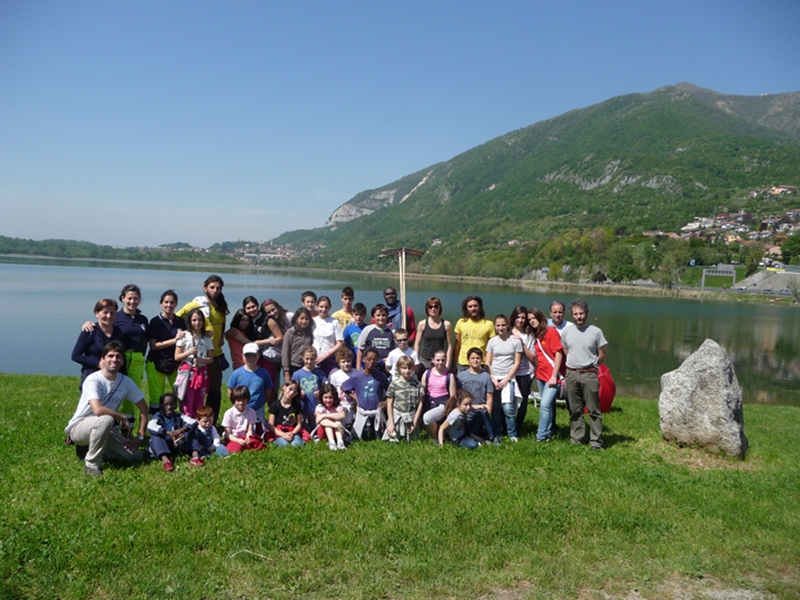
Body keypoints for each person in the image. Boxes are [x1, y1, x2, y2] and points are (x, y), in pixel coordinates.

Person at [65, 341, 148, 477]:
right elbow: (97, 410)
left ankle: (91, 449)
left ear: (122, 361)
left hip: (104, 428)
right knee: (106, 419)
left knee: (135, 456)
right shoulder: (93, 380)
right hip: (80, 427)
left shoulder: (126, 382)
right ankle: (92, 464)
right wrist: (121, 416)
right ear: (102, 360)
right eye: (110, 356)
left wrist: (140, 436)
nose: (114, 359)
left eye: (118, 357)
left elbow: (144, 408)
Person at [176, 275, 230, 424]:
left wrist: (220, 337)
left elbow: (223, 321)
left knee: (214, 392)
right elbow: (176, 318)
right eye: (212, 287)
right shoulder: (196, 304)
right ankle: (189, 420)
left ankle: (210, 422)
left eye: (218, 288)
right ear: (205, 288)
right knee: (193, 391)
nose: (215, 290)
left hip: (215, 355)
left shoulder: (221, 306)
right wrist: (182, 334)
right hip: (196, 357)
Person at [561, 299, 608, 450]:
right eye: (575, 314)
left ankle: (596, 441)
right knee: (575, 409)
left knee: (594, 410)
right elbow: (566, 350)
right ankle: (577, 438)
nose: (579, 316)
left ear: (586, 313)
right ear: (572, 315)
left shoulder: (596, 332)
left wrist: (591, 366)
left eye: (581, 313)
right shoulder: (567, 331)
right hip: (572, 374)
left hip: (589, 374)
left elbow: (602, 354)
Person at [528, 307, 565, 442]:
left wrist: (554, 376)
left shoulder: (551, 332)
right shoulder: (537, 334)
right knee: (548, 405)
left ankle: (541, 435)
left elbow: (559, 354)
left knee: (544, 405)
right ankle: (549, 431)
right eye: (530, 319)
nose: (532, 321)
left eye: (534, 318)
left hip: (552, 376)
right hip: (541, 375)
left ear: (541, 317)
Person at [145, 290, 186, 411]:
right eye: (166, 302)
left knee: (180, 394)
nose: (169, 305)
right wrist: (174, 340)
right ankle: (155, 423)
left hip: (175, 363)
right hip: (156, 363)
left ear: (176, 304)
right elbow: (153, 345)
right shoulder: (155, 321)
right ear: (161, 304)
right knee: (156, 396)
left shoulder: (181, 322)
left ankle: (176, 420)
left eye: (172, 302)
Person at [486, 314, 523, 442]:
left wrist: (507, 379)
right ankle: (497, 432)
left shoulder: (515, 341)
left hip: (509, 378)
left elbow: (517, 362)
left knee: (508, 408)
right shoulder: (492, 341)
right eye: (498, 325)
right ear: (495, 327)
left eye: (503, 325)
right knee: (495, 408)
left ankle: (512, 434)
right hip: (495, 377)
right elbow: (487, 363)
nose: (501, 328)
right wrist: (493, 378)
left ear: (508, 325)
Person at [72, 298, 123, 388]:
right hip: (91, 374)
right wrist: (98, 363)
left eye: (112, 313)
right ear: (96, 313)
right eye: (105, 312)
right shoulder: (89, 331)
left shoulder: (118, 332)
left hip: (112, 377)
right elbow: (76, 355)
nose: (108, 316)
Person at [147, 392, 205, 471]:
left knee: (192, 430)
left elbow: (193, 422)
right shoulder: (157, 416)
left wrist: (181, 431)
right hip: (164, 444)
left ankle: (195, 457)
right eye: (166, 404)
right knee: (155, 436)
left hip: (178, 444)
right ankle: (166, 461)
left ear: (176, 406)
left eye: (172, 404)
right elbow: (151, 426)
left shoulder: (179, 416)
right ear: (161, 406)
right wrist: (169, 433)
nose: (169, 407)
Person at [173, 308, 214, 418]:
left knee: (199, 401)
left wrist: (202, 360)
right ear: (189, 321)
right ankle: (186, 425)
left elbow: (211, 358)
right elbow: (177, 357)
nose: (197, 323)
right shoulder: (184, 336)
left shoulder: (207, 338)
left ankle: (198, 424)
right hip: (188, 373)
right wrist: (188, 352)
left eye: (200, 320)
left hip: (201, 373)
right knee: (187, 400)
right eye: (194, 320)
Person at [342, 348, 389, 441]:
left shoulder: (380, 376)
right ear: (364, 359)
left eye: (374, 359)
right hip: (363, 411)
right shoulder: (357, 376)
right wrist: (355, 398)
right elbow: (343, 387)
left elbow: (391, 391)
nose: (371, 362)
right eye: (369, 359)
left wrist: (386, 402)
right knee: (360, 436)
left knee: (378, 435)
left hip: (376, 411)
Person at [227, 343, 274, 429]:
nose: (251, 358)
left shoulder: (264, 373)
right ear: (243, 356)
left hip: (258, 408)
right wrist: (237, 404)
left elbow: (268, 391)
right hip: (241, 407)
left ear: (258, 356)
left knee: (259, 430)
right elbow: (230, 390)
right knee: (241, 428)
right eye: (247, 356)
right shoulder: (236, 373)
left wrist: (262, 401)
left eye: (253, 355)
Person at [457, 348, 498, 445]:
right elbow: (457, 397)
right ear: (468, 360)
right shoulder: (461, 376)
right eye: (473, 358)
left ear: (482, 360)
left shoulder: (486, 376)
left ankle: (493, 438)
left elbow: (489, 398)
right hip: (465, 414)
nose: (475, 360)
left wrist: (488, 416)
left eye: (478, 358)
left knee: (482, 413)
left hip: (480, 413)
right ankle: (483, 438)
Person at [384, 355, 424, 442]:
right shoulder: (394, 384)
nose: (407, 371)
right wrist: (391, 423)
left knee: (413, 440)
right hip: (397, 415)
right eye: (404, 368)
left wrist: (415, 422)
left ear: (413, 368)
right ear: (399, 368)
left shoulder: (417, 384)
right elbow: (389, 404)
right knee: (392, 439)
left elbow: (420, 404)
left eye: (409, 368)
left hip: (411, 416)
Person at [421, 350, 457, 440]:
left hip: (443, 404)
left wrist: (448, 409)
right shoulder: (427, 373)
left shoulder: (450, 376)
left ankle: (435, 437)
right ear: (433, 360)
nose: (440, 362)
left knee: (427, 418)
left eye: (443, 360)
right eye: (438, 360)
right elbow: (422, 391)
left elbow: (453, 396)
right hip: (429, 402)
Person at [510, 305, 535, 435]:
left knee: (523, 402)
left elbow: (532, 357)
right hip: (509, 373)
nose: (520, 320)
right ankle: (507, 427)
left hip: (525, 373)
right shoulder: (507, 331)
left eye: (523, 318)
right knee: (508, 401)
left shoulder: (529, 335)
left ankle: (518, 428)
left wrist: (522, 342)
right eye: (518, 317)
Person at [453, 296, 495, 371]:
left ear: (480, 307)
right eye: (470, 306)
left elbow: (493, 347)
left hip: (482, 364)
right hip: (464, 364)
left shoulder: (489, 324)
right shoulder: (461, 322)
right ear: (466, 309)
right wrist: (453, 364)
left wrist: (490, 364)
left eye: (475, 306)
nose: (473, 308)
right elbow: (457, 345)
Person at [291, 346, 327, 430]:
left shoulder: (320, 373)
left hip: (316, 406)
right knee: (303, 427)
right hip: (302, 406)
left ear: (315, 358)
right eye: (307, 359)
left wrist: (320, 393)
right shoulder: (297, 374)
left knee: (315, 426)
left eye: (312, 359)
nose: (309, 361)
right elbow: (292, 390)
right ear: (302, 358)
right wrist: (299, 394)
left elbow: (325, 388)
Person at [252, 298, 286, 386]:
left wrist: (266, 342)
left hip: (276, 354)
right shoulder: (249, 320)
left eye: (273, 309)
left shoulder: (286, 316)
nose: (272, 313)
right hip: (261, 355)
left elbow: (279, 338)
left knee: (273, 383)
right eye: (268, 312)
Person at [414, 296, 452, 373]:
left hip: (440, 361)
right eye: (430, 307)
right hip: (425, 361)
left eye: (436, 306)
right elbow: (417, 345)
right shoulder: (422, 324)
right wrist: (416, 362)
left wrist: (448, 363)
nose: (433, 309)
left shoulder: (446, 324)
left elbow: (449, 346)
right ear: (427, 309)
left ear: (439, 308)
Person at [221, 386, 262, 453]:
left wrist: (247, 438)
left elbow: (250, 430)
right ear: (234, 400)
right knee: (234, 448)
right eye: (238, 400)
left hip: (245, 437)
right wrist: (238, 440)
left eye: (243, 400)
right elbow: (227, 434)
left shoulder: (252, 412)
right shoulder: (228, 413)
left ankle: (245, 447)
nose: (241, 403)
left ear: (247, 399)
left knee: (257, 444)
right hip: (233, 438)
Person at [267, 381, 306, 447]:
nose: (291, 393)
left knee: (296, 444)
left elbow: (299, 424)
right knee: (284, 445)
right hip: (279, 431)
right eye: (290, 389)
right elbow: (271, 425)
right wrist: (283, 434)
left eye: (294, 392)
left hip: (292, 431)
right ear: (284, 387)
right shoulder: (275, 405)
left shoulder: (296, 405)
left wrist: (292, 434)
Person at [356, 303, 395, 369]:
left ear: (387, 316)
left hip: (386, 367)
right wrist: (358, 367)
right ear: (373, 317)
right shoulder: (367, 330)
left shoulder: (392, 331)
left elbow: (397, 350)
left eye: (383, 315)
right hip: (370, 366)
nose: (381, 318)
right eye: (378, 315)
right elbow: (360, 350)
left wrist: (391, 358)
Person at [313, 295, 344, 376]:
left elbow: (340, 343)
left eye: (326, 307)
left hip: (330, 359)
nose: (323, 310)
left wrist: (326, 355)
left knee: (333, 381)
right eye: (321, 307)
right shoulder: (313, 321)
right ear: (316, 306)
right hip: (315, 359)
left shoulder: (334, 322)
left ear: (330, 307)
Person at [281, 307, 315, 381]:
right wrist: (286, 372)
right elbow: (285, 353)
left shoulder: (310, 333)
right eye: (301, 318)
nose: (304, 321)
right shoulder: (290, 333)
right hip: (293, 366)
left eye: (306, 319)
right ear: (296, 319)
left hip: (306, 366)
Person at [315, 382, 349, 450]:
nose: (328, 400)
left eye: (330, 398)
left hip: (337, 431)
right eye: (325, 397)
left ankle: (340, 442)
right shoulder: (320, 407)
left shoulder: (338, 406)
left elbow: (342, 415)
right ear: (321, 397)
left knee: (338, 421)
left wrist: (324, 415)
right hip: (323, 432)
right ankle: (332, 443)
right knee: (328, 423)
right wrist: (335, 425)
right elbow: (318, 420)